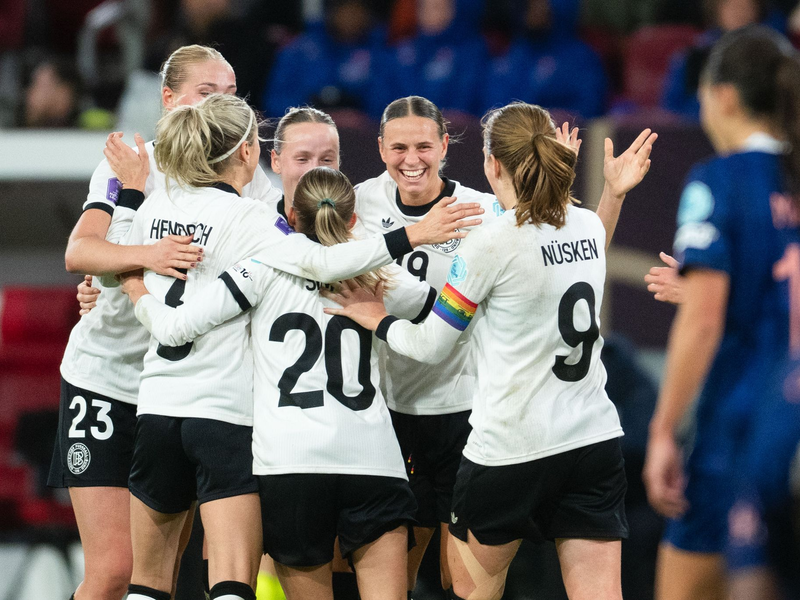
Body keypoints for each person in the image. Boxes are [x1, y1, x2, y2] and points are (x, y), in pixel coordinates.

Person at [114, 92, 482, 600]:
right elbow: (443, 318)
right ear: (351, 217)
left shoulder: (263, 260)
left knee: (171, 577)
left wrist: (133, 285)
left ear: (289, 213)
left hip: (283, 459)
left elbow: (176, 325)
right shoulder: (376, 270)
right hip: (373, 458)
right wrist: (392, 313)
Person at [330, 101, 655, 600]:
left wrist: (375, 317)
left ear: (491, 163)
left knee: (468, 589)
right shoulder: (588, 226)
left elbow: (429, 344)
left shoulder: (488, 242)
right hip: (592, 441)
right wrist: (612, 193)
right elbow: (584, 246)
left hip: (511, 449)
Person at [48, 44, 277, 600]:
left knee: (161, 575)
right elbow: (81, 251)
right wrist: (145, 258)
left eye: (230, 95)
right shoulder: (134, 165)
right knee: (113, 572)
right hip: (107, 376)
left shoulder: (251, 178)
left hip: (179, 392)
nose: (220, 106)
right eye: (206, 93)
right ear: (169, 99)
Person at [642, 25, 799, 600]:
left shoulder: (719, 180)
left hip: (742, 423)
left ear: (725, 97)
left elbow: (704, 322)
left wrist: (663, 431)